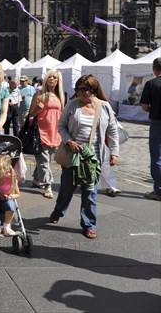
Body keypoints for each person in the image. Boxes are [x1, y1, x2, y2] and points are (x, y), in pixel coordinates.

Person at [50, 74, 119, 239]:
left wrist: (114, 152)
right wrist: (69, 141)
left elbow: (112, 130)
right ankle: (59, 210)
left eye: (84, 89)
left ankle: (89, 225)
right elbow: (61, 126)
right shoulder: (72, 105)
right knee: (67, 189)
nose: (80, 93)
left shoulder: (104, 107)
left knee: (90, 192)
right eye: (78, 89)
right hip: (72, 155)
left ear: (94, 90)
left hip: (93, 158)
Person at [28, 69, 65, 199]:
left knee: (46, 158)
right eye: (50, 77)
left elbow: (62, 113)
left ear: (58, 80)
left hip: (55, 131)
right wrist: (38, 108)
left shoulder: (60, 95)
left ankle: (36, 179)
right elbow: (31, 113)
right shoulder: (39, 93)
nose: (52, 79)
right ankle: (48, 185)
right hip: (41, 131)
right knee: (44, 159)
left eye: (55, 77)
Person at [140, 57, 161, 200]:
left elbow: (145, 107)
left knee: (157, 156)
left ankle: (159, 190)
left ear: (154, 69)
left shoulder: (151, 83)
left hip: (158, 122)